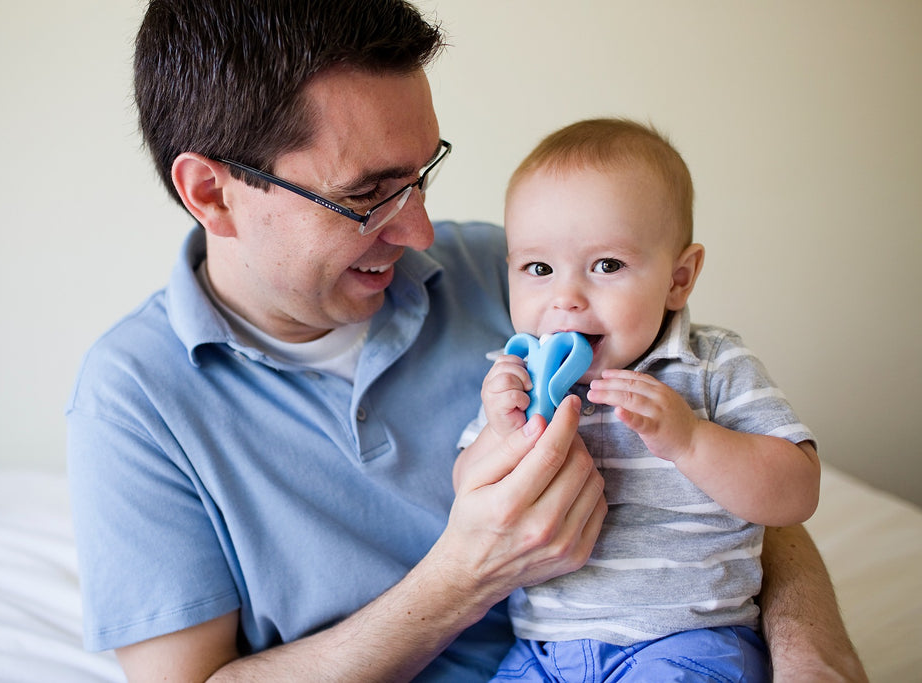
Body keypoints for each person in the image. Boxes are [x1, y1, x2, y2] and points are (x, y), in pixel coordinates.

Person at [65, 1, 866, 681]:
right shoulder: (132, 398)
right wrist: (466, 572)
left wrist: (808, 653)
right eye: (368, 197)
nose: (418, 230)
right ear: (213, 193)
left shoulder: (523, 277)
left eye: (423, 174)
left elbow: (720, 458)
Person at [457, 118, 821, 680]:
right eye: (538, 268)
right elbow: (467, 494)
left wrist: (693, 440)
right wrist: (500, 435)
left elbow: (797, 492)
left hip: (685, 640)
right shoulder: (516, 378)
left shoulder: (710, 366)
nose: (566, 298)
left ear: (679, 278)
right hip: (544, 653)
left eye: (607, 266)